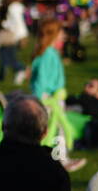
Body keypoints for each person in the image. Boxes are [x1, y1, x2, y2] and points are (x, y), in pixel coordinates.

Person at [30, 17, 85, 171]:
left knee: (56, 129)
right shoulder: (48, 55)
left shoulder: (49, 53)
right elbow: (41, 79)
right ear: (53, 34)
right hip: (49, 100)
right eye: (61, 32)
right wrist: (44, 98)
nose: (64, 35)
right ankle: (58, 160)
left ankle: (57, 159)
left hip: (53, 98)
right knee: (53, 130)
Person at [0, 0, 28, 85]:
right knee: (5, 57)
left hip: (11, 35)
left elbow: (16, 23)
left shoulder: (12, 7)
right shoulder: (12, 6)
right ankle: (2, 77)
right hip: (11, 34)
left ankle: (22, 69)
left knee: (10, 58)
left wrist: (5, 24)